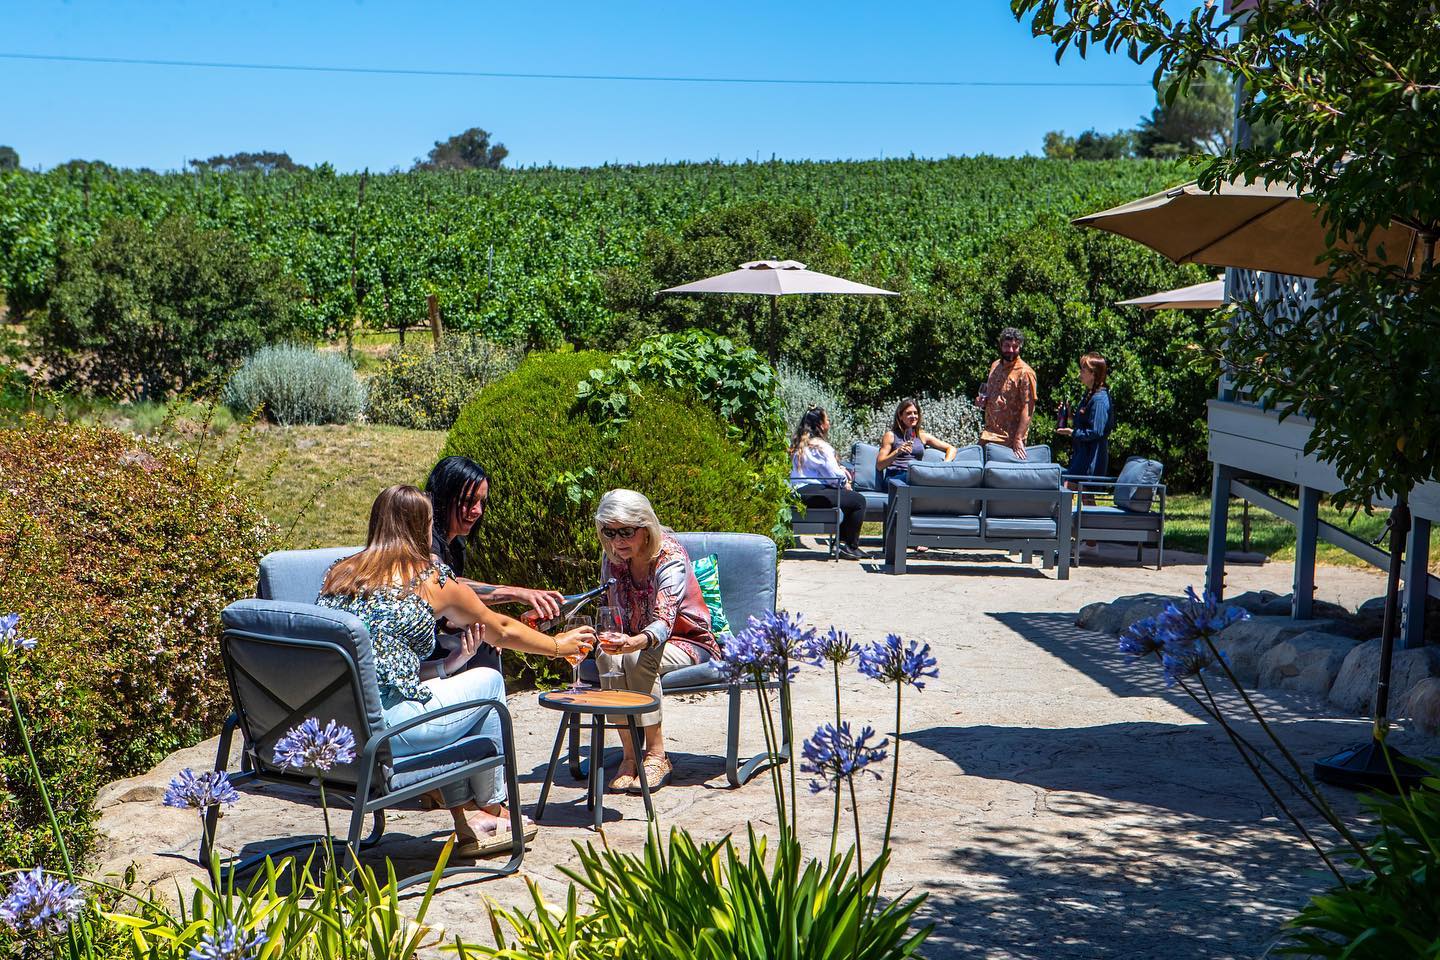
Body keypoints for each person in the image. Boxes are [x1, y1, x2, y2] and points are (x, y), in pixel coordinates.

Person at [317, 484, 594, 856]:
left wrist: (446, 667)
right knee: (490, 683)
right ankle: (493, 809)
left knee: (467, 689)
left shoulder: (339, 575)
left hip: (331, 730)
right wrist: (559, 647)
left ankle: (469, 820)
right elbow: (503, 629)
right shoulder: (431, 579)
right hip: (383, 735)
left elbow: (372, 667)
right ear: (421, 527)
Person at [591, 489, 721, 793]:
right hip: (633, 638)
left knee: (638, 657)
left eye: (626, 531)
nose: (618, 540)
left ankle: (657, 754)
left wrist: (634, 642)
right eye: (610, 532)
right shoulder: (612, 557)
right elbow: (607, 607)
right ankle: (629, 756)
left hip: (687, 640)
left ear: (645, 527)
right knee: (606, 657)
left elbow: (664, 621)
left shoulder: (669, 556)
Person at [425, 456, 566, 674]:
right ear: (444, 497)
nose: (478, 511)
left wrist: (480, 630)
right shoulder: (426, 540)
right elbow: (446, 587)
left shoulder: (456, 545)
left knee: (484, 645)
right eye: (469, 501)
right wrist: (517, 593)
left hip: (426, 644)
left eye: (482, 502)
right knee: (484, 647)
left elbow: (446, 617)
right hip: (412, 655)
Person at [790, 407, 870, 561]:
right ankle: (850, 547)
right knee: (858, 500)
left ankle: (839, 543)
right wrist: (845, 480)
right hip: (812, 492)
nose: (829, 423)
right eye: (827, 420)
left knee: (847, 498)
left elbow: (822, 472)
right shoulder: (821, 447)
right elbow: (834, 477)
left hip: (798, 490)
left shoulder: (801, 443)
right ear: (820, 424)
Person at [976, 327, 1039, 460]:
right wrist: (982, 402)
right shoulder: (995, 366)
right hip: (988, 434)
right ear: (1000, 345)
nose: (1010, 350)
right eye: (1007, 346)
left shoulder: (1025, 373)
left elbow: (1028, 408)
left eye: (1015, 347)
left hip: (1008, 441)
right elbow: (990, 395)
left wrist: (1018, 438)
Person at [1056, 352, 1113, 483]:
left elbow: (1096, 431)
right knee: (1077, 498)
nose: (1079, 373)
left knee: (1081, 496)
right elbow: (1086, 423)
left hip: (1090, 460)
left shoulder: (1099, 399)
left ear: (1093, 374)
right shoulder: (1090, 394)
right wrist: (1070, 417)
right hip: (1081, 457)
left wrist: (1073, 433)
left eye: (1083, 370)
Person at [876, 399, 958, 484]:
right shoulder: (891, 435)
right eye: (908, 413)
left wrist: (944, 465)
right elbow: (879, 466)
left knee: (928, 477)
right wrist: (897, 451)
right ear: (900, 416)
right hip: (894, 477)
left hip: (915, 475)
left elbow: (951, 448)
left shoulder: (922, 436)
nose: (913, 416)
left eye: (915, 413)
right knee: (922, 477)